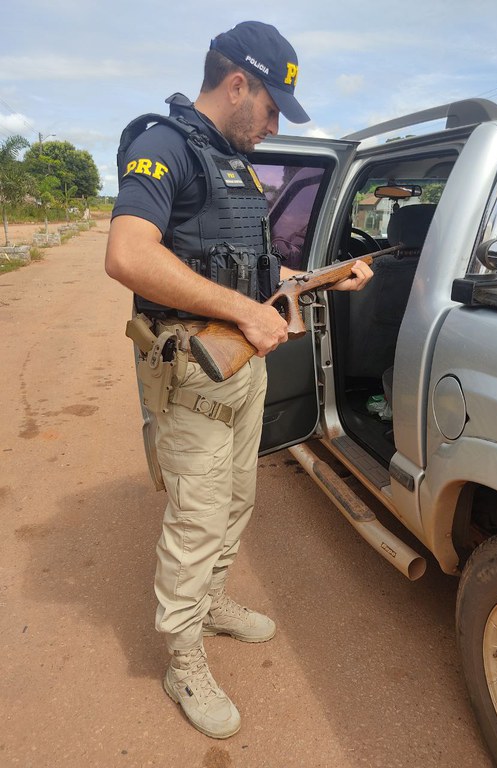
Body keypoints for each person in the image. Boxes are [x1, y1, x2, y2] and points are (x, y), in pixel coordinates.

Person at [105, 20, 372, 740]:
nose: (277, 122)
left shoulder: (236, 165)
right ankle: (182, 655)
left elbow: (253, 274)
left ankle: (212, 603)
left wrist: (323, 280)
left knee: (236, 498)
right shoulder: (165, 146)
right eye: (275, 106)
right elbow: (127, 255)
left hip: (239, 368)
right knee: (195, 518)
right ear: (237, 85)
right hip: (194, 370)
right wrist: (242, 314)